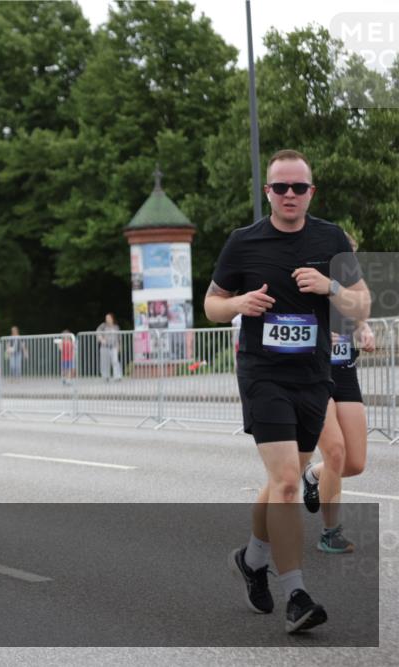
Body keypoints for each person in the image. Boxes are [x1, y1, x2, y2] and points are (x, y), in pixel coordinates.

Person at [205, 149, 369, 634]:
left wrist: (329, 287)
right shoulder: (244, 242)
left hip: (314, 377)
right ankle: (296, 593)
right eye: (281, 187)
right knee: (288, 485)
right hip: (263, 374)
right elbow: (212, 305)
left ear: (311, 192)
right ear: (268, 192)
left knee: (287, 479)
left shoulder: (331, 238)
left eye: (299, 187)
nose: (290, 195)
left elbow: (361, 305)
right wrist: (239, 302)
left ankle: (253, 559)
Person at [301, 233, 373, 553]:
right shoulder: (307, 279)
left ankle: (313, 476)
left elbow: (357, 317)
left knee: (355, 462)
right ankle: (331, 532)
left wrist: (364, 329)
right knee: (336, 451)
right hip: (313, 375)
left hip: (344, 372)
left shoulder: (347, 287)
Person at [96, 313, 122, 381]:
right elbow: (98, 332)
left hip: (113, 346)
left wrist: (119, 346)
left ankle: (117, 376)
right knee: (105, 362)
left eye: (109, 318)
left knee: (115, 361)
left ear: (112, 318)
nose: (107, 319)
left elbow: (118, 337)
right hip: (104, 347)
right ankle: (105, 376)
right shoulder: (103, 326)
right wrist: (101, 339)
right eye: (106, 318)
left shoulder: (116, 327)